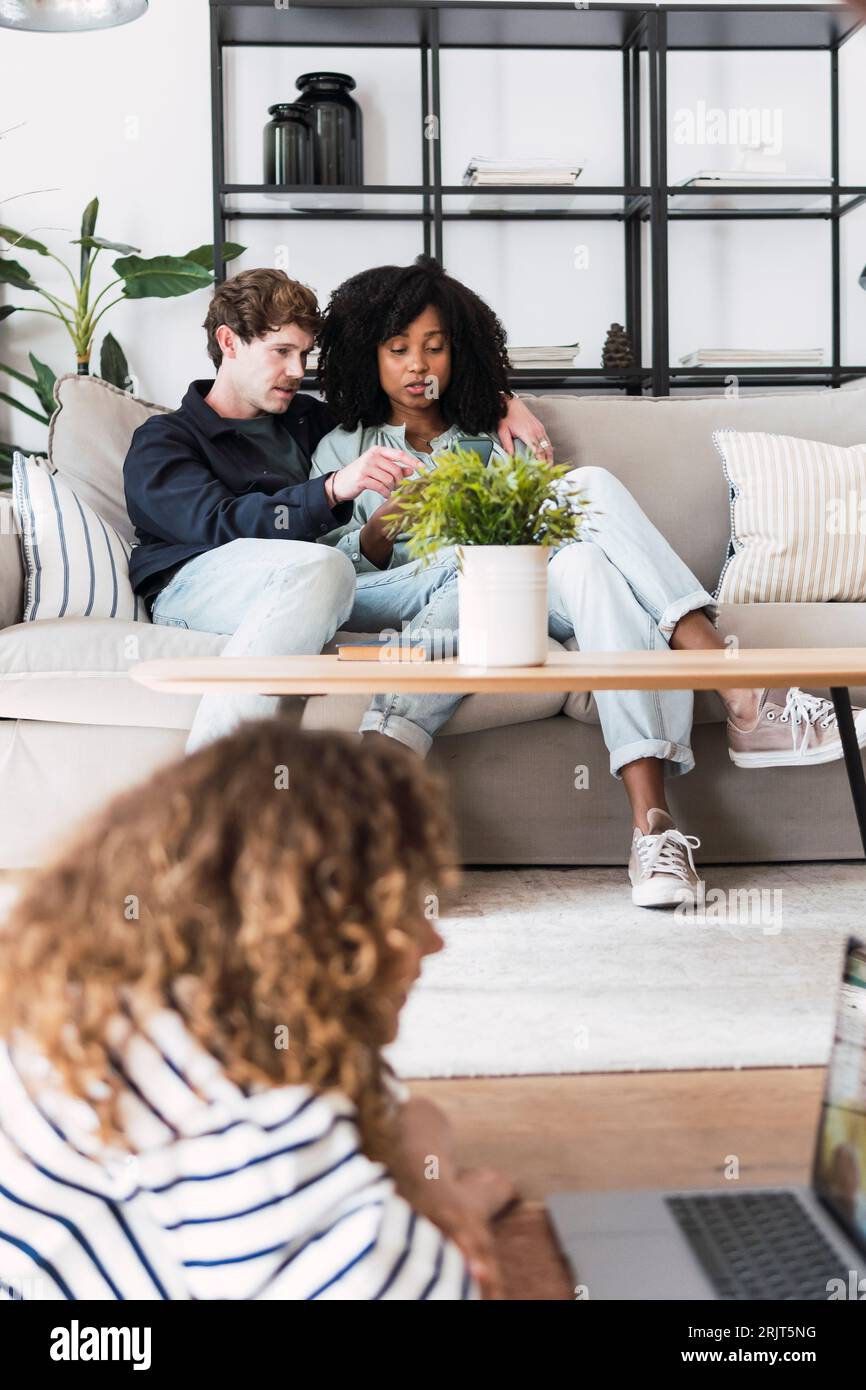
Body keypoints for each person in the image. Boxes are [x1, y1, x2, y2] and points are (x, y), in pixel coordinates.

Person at [312, 254, 866, 907]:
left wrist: (506, 419)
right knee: (562, 535)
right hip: (414, 591)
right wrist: (379, 529)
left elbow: (535, 534)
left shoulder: (489, 434)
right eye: (397, 348)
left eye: (435, 347)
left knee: (586, 552)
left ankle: (654, 836)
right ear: (366, 354)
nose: (417, 365)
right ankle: (742, 695)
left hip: (509, 590)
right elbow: (339, 575)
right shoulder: (344, 447)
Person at [0, 722, 516, 1301]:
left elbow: (400, 1106)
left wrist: (433, 1181)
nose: (434, 941)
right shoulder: (244, 1120)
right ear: (318, 927)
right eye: (404, 908)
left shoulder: (102, 998)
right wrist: (451, 1208)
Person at [122, 267, 549, 754]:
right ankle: (216, 786)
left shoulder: (308, 420)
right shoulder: (165, 438)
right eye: (281, 352)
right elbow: (216, 525)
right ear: (229, 342)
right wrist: (330, 489)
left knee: (477, 572)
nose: (298, 371)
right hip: (196, 591)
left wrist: (502, 401)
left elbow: (413, 394)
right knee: (323, 565)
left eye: (304, 354)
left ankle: (390, 737)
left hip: (323, 587)